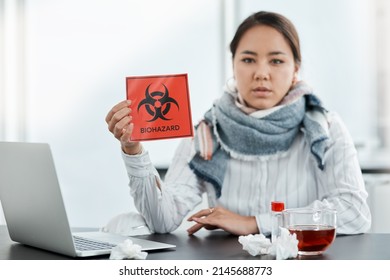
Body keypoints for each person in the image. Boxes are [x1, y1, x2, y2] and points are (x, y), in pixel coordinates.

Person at [105, 11, 371, 236]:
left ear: (295, 71)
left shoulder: (324, 128)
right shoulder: (207, 131)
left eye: (276, 61)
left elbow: (354, 212)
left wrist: (254, 224)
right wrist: (133, 151)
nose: (261, 73)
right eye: (248, 59)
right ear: (233, 66)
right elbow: (162, 220)